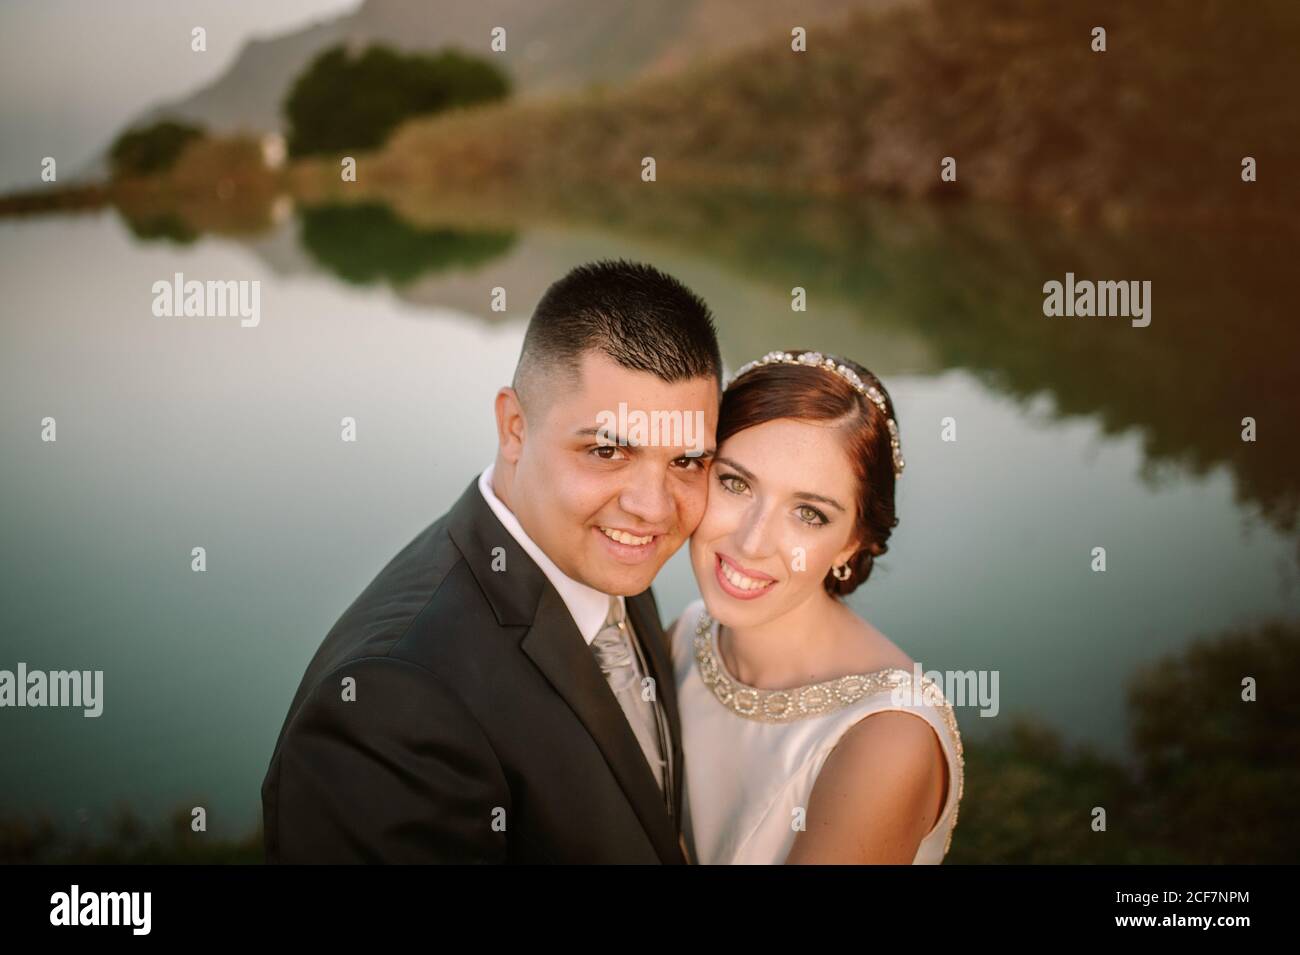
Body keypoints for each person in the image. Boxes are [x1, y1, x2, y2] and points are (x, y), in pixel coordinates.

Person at [261, 259, 721, 862]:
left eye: (686, 461)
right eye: (608, 450)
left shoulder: (601, 552)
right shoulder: (389, 703)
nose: (653, 508)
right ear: (513, 428)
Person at [667, 350, 964, 864]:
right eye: (736, 483)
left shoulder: (887, 738)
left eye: (808, 513)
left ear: (853, 542)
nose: (753, 541)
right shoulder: (684, 634)